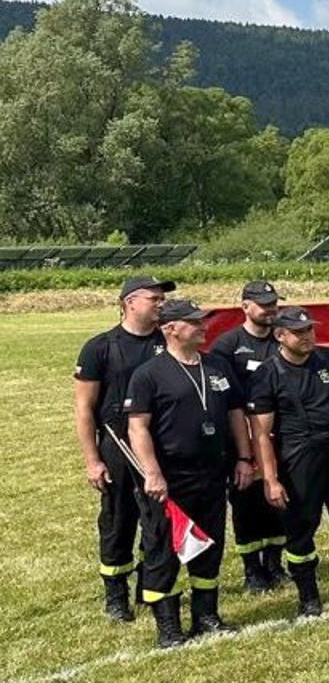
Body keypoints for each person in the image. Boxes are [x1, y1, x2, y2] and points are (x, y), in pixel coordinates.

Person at [124, 299, 253, 646]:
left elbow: (236, 415)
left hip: (213, 473)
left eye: (202, 320)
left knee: (209, 546)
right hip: (170, 479)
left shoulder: (217, 366)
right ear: (170, 328)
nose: (203, 327)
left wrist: (244, 457)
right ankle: (168, 627)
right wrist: (152, 473)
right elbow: (138, 428)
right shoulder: (149, 374)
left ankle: (206, 616)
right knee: (163, 552)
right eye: (193, 322)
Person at [247, 305, 329, 618]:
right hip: (299, 460)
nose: (308, 336)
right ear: (280, 336)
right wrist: (270, 479)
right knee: (301, 528)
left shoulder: (328, 358)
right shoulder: (268, 374)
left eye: (310, 329)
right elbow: (262, 434)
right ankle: (308, 597)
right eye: (299, 331)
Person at [74, 275, 171, 623]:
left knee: (158, 520)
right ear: (130, 302)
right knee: (118, 519)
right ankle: (116, 595)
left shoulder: (167, 341)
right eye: (154, 298)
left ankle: (151, 587)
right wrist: (92, 459)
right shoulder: (101, 347)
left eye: (163, 299)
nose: (161, 304)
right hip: (117, 445)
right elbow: (85, 408)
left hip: (159, 444)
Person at [208, 280, 289, 594]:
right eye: (264, 305)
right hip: (243, 433)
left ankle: (275, 562)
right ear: (245, 306)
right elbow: (225, 398)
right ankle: (252, 568)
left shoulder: (283, 338)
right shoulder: (227, 346)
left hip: (281, 433)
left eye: (273, 304)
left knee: (279, 498)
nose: (271, 310)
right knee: (247, 502)